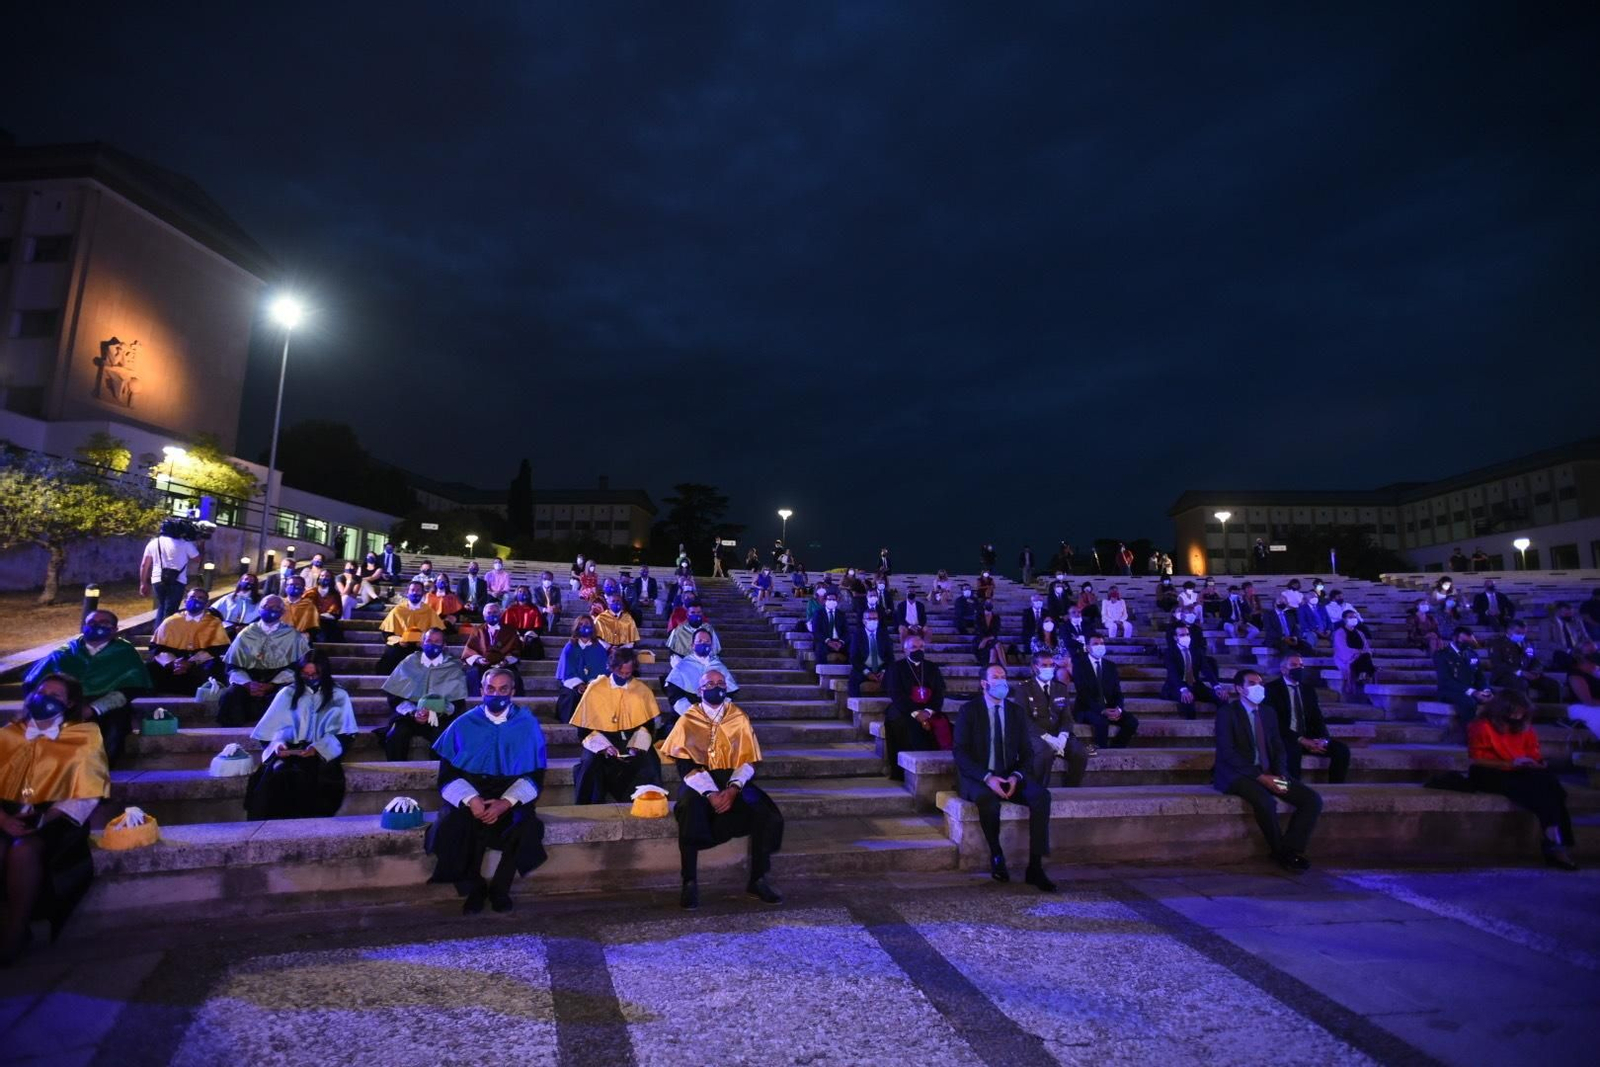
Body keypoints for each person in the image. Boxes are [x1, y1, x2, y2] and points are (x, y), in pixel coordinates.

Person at [0, 674, 110, 964]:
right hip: (5, 813)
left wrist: (42, 820)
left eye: (56, 696)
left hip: (56, 817)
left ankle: (16, 929)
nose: (45, 698)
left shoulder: (83, 737)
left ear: (70, 703)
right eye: (41, 691)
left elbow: (86, 793)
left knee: (23, 851)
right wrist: (4, 820)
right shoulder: (9, 734)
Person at [426, 667, 550, 913]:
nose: (497, 694)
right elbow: (448, 775)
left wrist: (506, 802)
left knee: (526, 827)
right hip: (471, 791)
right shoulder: (462, 724)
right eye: (490, 689)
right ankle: (474, 887)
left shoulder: (527, 724)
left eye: (503, 689)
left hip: (510, 793)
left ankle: (500, 889)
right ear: (481, 690)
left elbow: (535, 776)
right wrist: (472, 800)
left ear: (513, 692)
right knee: (451, 825)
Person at [660, 670, 785, 909]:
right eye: (710, 683)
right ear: (700, 690)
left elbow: (748, 760)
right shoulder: (688, 719)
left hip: (733, 780)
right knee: (688, 810)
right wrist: (710, 793)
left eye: (720, 683)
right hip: (699, 781)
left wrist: (733, 789)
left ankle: (758, 879)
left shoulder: (738, 717)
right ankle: (689, 882)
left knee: (764, 812)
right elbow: (685, 764)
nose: (716, 687)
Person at [952, 666, 1056, 892]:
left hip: (1010, 775)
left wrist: (1016, 777)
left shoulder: (1015, 711)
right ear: (984, 683)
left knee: (1041, 797)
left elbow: (1027, 752)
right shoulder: (969, 711)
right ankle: (997, 854)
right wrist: (988, 778)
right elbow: (960, 752)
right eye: (995, 678)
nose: (1001, 682)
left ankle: (1035, 867)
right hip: (979, 776)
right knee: (988, 801)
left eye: (1003, 677)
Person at [1214, 668, 1322, 871]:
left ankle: (1291, 848)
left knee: (1311, 800)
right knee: (1265, 801)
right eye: (1252, 683)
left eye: (1261, 683)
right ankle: (1280, 852)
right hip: (1240, 775)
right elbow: (1228, 753)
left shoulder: (1268, 712)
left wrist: (1280, 773)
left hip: (1270, 772)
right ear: (1239, 689)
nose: (1259, 687)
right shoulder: (1227, 713)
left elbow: (1278, 745)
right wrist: (1262, 778)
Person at [24, 611, 151, 765]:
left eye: (103, 622)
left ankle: (98, 767)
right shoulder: (65, 652)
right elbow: (34, 682)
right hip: (64, 703)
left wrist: (94, 708)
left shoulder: (124, 652)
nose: (96, 626)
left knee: (115, 722)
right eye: (91, 622)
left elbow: (132, 687)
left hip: (104, 707)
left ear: (114, 629)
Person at [1467, 691, 1576, 870]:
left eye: (1521, 712)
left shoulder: (1524, 726)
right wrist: (1510, 762)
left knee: (1550, 785)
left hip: (1519, 768)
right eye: (1515, 712)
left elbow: (1533, 752)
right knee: (1543, 792)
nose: (1518, 716)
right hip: (1490, 771)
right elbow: (1476, 759)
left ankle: (1555, 840)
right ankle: (1555, 844)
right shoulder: (1482, 726)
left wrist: (1538, 763)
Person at [245, 650, 357, 820]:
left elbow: (345, 734)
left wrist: (318, 748)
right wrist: (278, 745)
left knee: (314, 779)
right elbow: (270, 731)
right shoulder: (287, 693)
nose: (311, 678)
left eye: (315, 674)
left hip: (322, 752)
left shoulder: (338, 695)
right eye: (306, 674)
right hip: (290, 750)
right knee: (277, 774)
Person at [569, 648, 663, 804]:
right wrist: (603, 747)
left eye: (628, 674)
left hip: (633, 737)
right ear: (611, 668)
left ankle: (648, 803)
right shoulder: (596, 688)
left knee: (650, 762)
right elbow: (584, 729)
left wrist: (637, 746)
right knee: (590, 763)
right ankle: (590, 807)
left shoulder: (642, 690)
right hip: (601, 737)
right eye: (621, 673)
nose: (625, 677)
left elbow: (648, 725)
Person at [217, 597, 310, 728]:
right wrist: (248, 683)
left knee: (290, 695)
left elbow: (297, 666)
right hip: (249, 682)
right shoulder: (246, 633)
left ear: (283, 611)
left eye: (276, 607)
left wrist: (272, 684)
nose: (271, 610)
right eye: (266, 606)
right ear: (259, 610)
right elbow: (232, 665)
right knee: (230, 695)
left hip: (279, 682)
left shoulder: (292, 635)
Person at [379, 628, 469, 760]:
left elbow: (458, 702)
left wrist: (436, 710)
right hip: (410, 715)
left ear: (444, 645)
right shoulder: (409, 662)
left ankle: (437, 776)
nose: (433, 644)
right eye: (429, 641)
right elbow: (394, 697)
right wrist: (414, 712)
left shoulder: (453, 667)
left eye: (437, 641)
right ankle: (398, 774)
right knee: (395, 735)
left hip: (440, 716)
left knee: (444, 739)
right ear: (422, 643)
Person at [1265, 654, 1349, 784]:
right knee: (1293, 751)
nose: (1299, 668)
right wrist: (1301, 740)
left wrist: (1323, 739)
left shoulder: (1307, 690)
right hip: (1285, 737)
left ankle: (1336, 787)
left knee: (1341, 751)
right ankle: (1292, 789)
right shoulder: (1271, 689)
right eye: (1294, 665)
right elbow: (1274, 722)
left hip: (1308, 736)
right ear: (1283, 669)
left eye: (1301, 665)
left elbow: (1317, 717)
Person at [882, 634, 950, 779]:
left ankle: (938, 770)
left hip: (928, 709)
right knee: (904, 725)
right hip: (904, 709)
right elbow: (896, 694)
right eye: (914, 647)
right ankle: (903, 772)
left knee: (945, 724)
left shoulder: (932, 667)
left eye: (921, 647)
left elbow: (939, 692)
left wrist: (928, 711)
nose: (918, 650)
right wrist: (915, 712)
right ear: (905, 650)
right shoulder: (895, 668)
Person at [1016, 651, 1088, 787]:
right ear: (1034, 667)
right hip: (1036, 735)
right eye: (1044, 665)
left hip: (1058, 732)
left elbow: (1066, 717)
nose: (1048, 668)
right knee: (1045, 753)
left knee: (1080, 753)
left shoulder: (1060, 688)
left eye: (1051, 665)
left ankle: (1071, 788)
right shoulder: (1024, 689)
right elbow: (1023, 719)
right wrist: (1047, 737)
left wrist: (1063, 736)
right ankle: (1039, 791)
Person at [146, 588, 230, 694]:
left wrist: (191, 662)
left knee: (215, 667)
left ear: (207, 603)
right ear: (185, 601)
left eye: (201, 598)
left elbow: (217, 648)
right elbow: (157, 647)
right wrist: (172, 663)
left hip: (199, 662)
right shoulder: (171, 621)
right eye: (192, 597)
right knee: (150, 667)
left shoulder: (214, 623)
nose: (196, 600)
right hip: (173, 662)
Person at [1071, 636, 1137, 748]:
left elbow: (1118, 691)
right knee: (1101, 722)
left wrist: (1118, 709)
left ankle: (1115, 749)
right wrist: (1102, 710)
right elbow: (1083, 694)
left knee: (1132, 722)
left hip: (1110, 707)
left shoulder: (1110, 666)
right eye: (1096, 644)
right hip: (1087, 708)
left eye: (1102, 643)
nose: (1100, 646)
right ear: (1088, 647)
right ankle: (1103, 750)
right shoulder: (1079, 665)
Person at [377, 581, 446, 674]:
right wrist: (399, 641)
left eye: (418, 590)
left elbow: (438, 631)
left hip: (422, 645)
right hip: (401, 644)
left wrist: (425, 641)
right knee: (390, 655)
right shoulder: (398, 610)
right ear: (407, 592)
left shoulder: (428, 611)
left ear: (423, 593)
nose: (415, 593)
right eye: (412, 590)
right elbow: (387, 633)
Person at [139, 524, 202, 621]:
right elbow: (197, 559)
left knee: (162, 606)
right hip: (178, 580)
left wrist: (143, 583)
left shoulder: (154, 543)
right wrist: (200, 545)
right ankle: (165, 634)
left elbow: (144, 564)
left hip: (157, 580)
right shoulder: (185, 544)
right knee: (170, 612)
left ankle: (158, 633)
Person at [1486, 621, 1560, 703]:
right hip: (1506, 675)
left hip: (1527, 674)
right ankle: (1525, 712)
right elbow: (1498, 664)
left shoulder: (1527, 643)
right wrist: (1521, 672)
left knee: (1553, 685)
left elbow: (1534, 659)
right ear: (1509, 630)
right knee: (1521, 684)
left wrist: (1535, 671)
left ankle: (1549, 712)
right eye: (1518, 632)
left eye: (1523, 633)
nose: (1521, 635)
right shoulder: (1497, 643)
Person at [1161, 622, 1221, 720]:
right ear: (1175, 637)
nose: (1186, 637)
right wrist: (1183, 689)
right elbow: (1173, 673)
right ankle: (1192, 724)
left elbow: (1206, 669)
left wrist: (1217, 686)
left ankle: (1222, 724)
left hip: (1195, 685)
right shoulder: (1169, 652)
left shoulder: (1196, 651)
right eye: (1182, 635)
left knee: (1221, 697)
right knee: (1188, 700)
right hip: (1177, 686)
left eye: (1187, 634)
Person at [1435, 626, 1491, 729]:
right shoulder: (1442, 655)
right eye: (1463, 641)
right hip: (1450, 691)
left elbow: (1479, 676)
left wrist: (1485, 690)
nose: (1466, 644)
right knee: (1468, 702)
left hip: (1471, 690)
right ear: (1454, 638)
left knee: (1497, 699)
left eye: (1469, 642)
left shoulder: (1471, 654)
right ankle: (1470, 733)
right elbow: (1446, 680)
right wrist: (1472, 692)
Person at [463, 602, 525, 696]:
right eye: (489, 613)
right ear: (484, 616)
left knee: (514, 676)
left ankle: (513, 703)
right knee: (473, 674)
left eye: (495, 612)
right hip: (483, 665)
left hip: (503, 664)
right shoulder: (477, 630)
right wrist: (479, 659)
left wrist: (506, 661)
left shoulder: (510, 630)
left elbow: (515, 651)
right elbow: (470, 650)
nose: (492, 615)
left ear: (500, 614)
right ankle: (476, 701)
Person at [664, 637, 738, 716]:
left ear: (712, 645)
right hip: (688, 713)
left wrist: (718, 711)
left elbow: (729, 692)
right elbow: (675, 695)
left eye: (707, 641)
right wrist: (692, 713)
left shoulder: (718, 665)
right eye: (700, 641)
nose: (704, 644)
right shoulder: (682, 665)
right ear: (693, 645)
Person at [555, 617, 610, 720]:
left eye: (587, 624)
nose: (584, 626)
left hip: (593, 684)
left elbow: (602, 670)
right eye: (581, 624)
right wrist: (578, 685)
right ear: (576, 627)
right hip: (572, 685)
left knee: (597, 693)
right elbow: (567, 671)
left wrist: (591, 683)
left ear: (592, 627)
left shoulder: (599, 648)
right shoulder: (570, 647)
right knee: (570, 695)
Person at [1332, 609, 1376, 705]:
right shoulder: (1339, 632)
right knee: (1364, 659)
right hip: (1347, 658)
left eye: (1355, 617)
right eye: (1350, 617)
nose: (1353, 619)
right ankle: (1366, 672)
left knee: (1366, 656)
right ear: (1344, 619)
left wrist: (1364, 652)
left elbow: (1366, 647)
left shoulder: (1360, 633)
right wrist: (1358, 653)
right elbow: (1342, 648)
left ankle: (1364, 673)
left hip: (1361, 657)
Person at [848, 609, 892, 697]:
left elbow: (890, 657)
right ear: (864, 621)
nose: (872, 621)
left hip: (881, 668)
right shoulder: (857, 635)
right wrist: (867, 672)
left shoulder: (884, 634)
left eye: (875, 619)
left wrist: (884, 671)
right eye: (869, 619)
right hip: (864, 668)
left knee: (895, 677)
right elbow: (854, 658)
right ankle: (855, 707)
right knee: (853, 680)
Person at [500, 588, 546, 662]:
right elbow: (506, 626)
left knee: (533, 642)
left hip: (529, 633)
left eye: (525, 592)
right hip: (514, 633)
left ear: (528, 594)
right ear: (516, 594)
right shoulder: (511, 609)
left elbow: (538, 626)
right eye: (520, 591)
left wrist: (529, 634)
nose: (522, 593)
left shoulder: (533, 609)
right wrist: (517, 634)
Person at [1543, 602, 1587, 671]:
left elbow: (1585, 637)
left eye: (1571, 613)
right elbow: (1546, 643)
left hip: (1577, 650)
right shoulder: (1547, 623)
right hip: (1559, 652)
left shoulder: (1576, 621)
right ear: (1557, 612)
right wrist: (1568, 650)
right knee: (1563, 657)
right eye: (1566, 613)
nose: (1570, 615)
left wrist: (1580, 646)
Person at [811, 593, 851, 664]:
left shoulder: (841, 614)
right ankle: (822, 673)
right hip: (824, 641)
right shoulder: (819, 613)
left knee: (853, 647)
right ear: (825, 601)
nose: (832, 601)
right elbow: (816, 631)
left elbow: (846, 632)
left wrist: (841, 642)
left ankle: (850, 673)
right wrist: (828, 641)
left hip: (839, 641)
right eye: (829, 599)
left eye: (834, 599)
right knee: (820, 648)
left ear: (837, 601)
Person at [310, 575, 344, 642]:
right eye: (322, 576)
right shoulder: (311, 592)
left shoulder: (335, 594)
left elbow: (336, 610)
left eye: (327, 576)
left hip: (328, 621)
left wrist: (322, 615)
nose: (324, 578)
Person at [973, 600, 1006, 667]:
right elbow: (978, 630)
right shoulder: (979, 616)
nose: (989, 604)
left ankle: (1004, 666)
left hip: (991, 638)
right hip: (980, 639)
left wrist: (987, 639)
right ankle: (1003, 666)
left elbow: (996, 631)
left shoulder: (996, 617)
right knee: (994, 647)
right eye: (987, 603)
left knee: (997, 645)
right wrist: (984, 639)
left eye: (990, 603)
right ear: (984, 605)